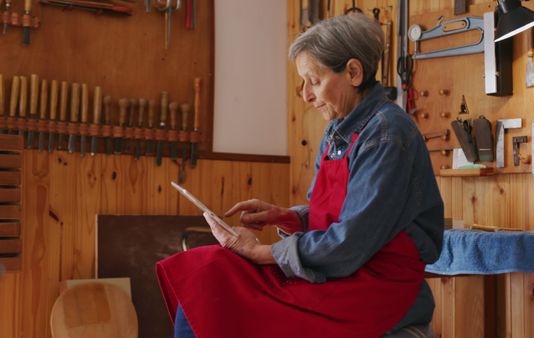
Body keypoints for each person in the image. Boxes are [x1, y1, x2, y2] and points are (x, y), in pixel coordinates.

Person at [156, 13, 444, 338]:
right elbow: (338, 215)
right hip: (341, 270)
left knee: (221, 291)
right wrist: (286, 217)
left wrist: (264, 253)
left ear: (353, 72)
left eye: (315, 81)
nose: (306, 95)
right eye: (303, 83)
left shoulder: (387, 134)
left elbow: (352, 240)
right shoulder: (338, 130)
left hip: (375, 284)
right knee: (205, 272)